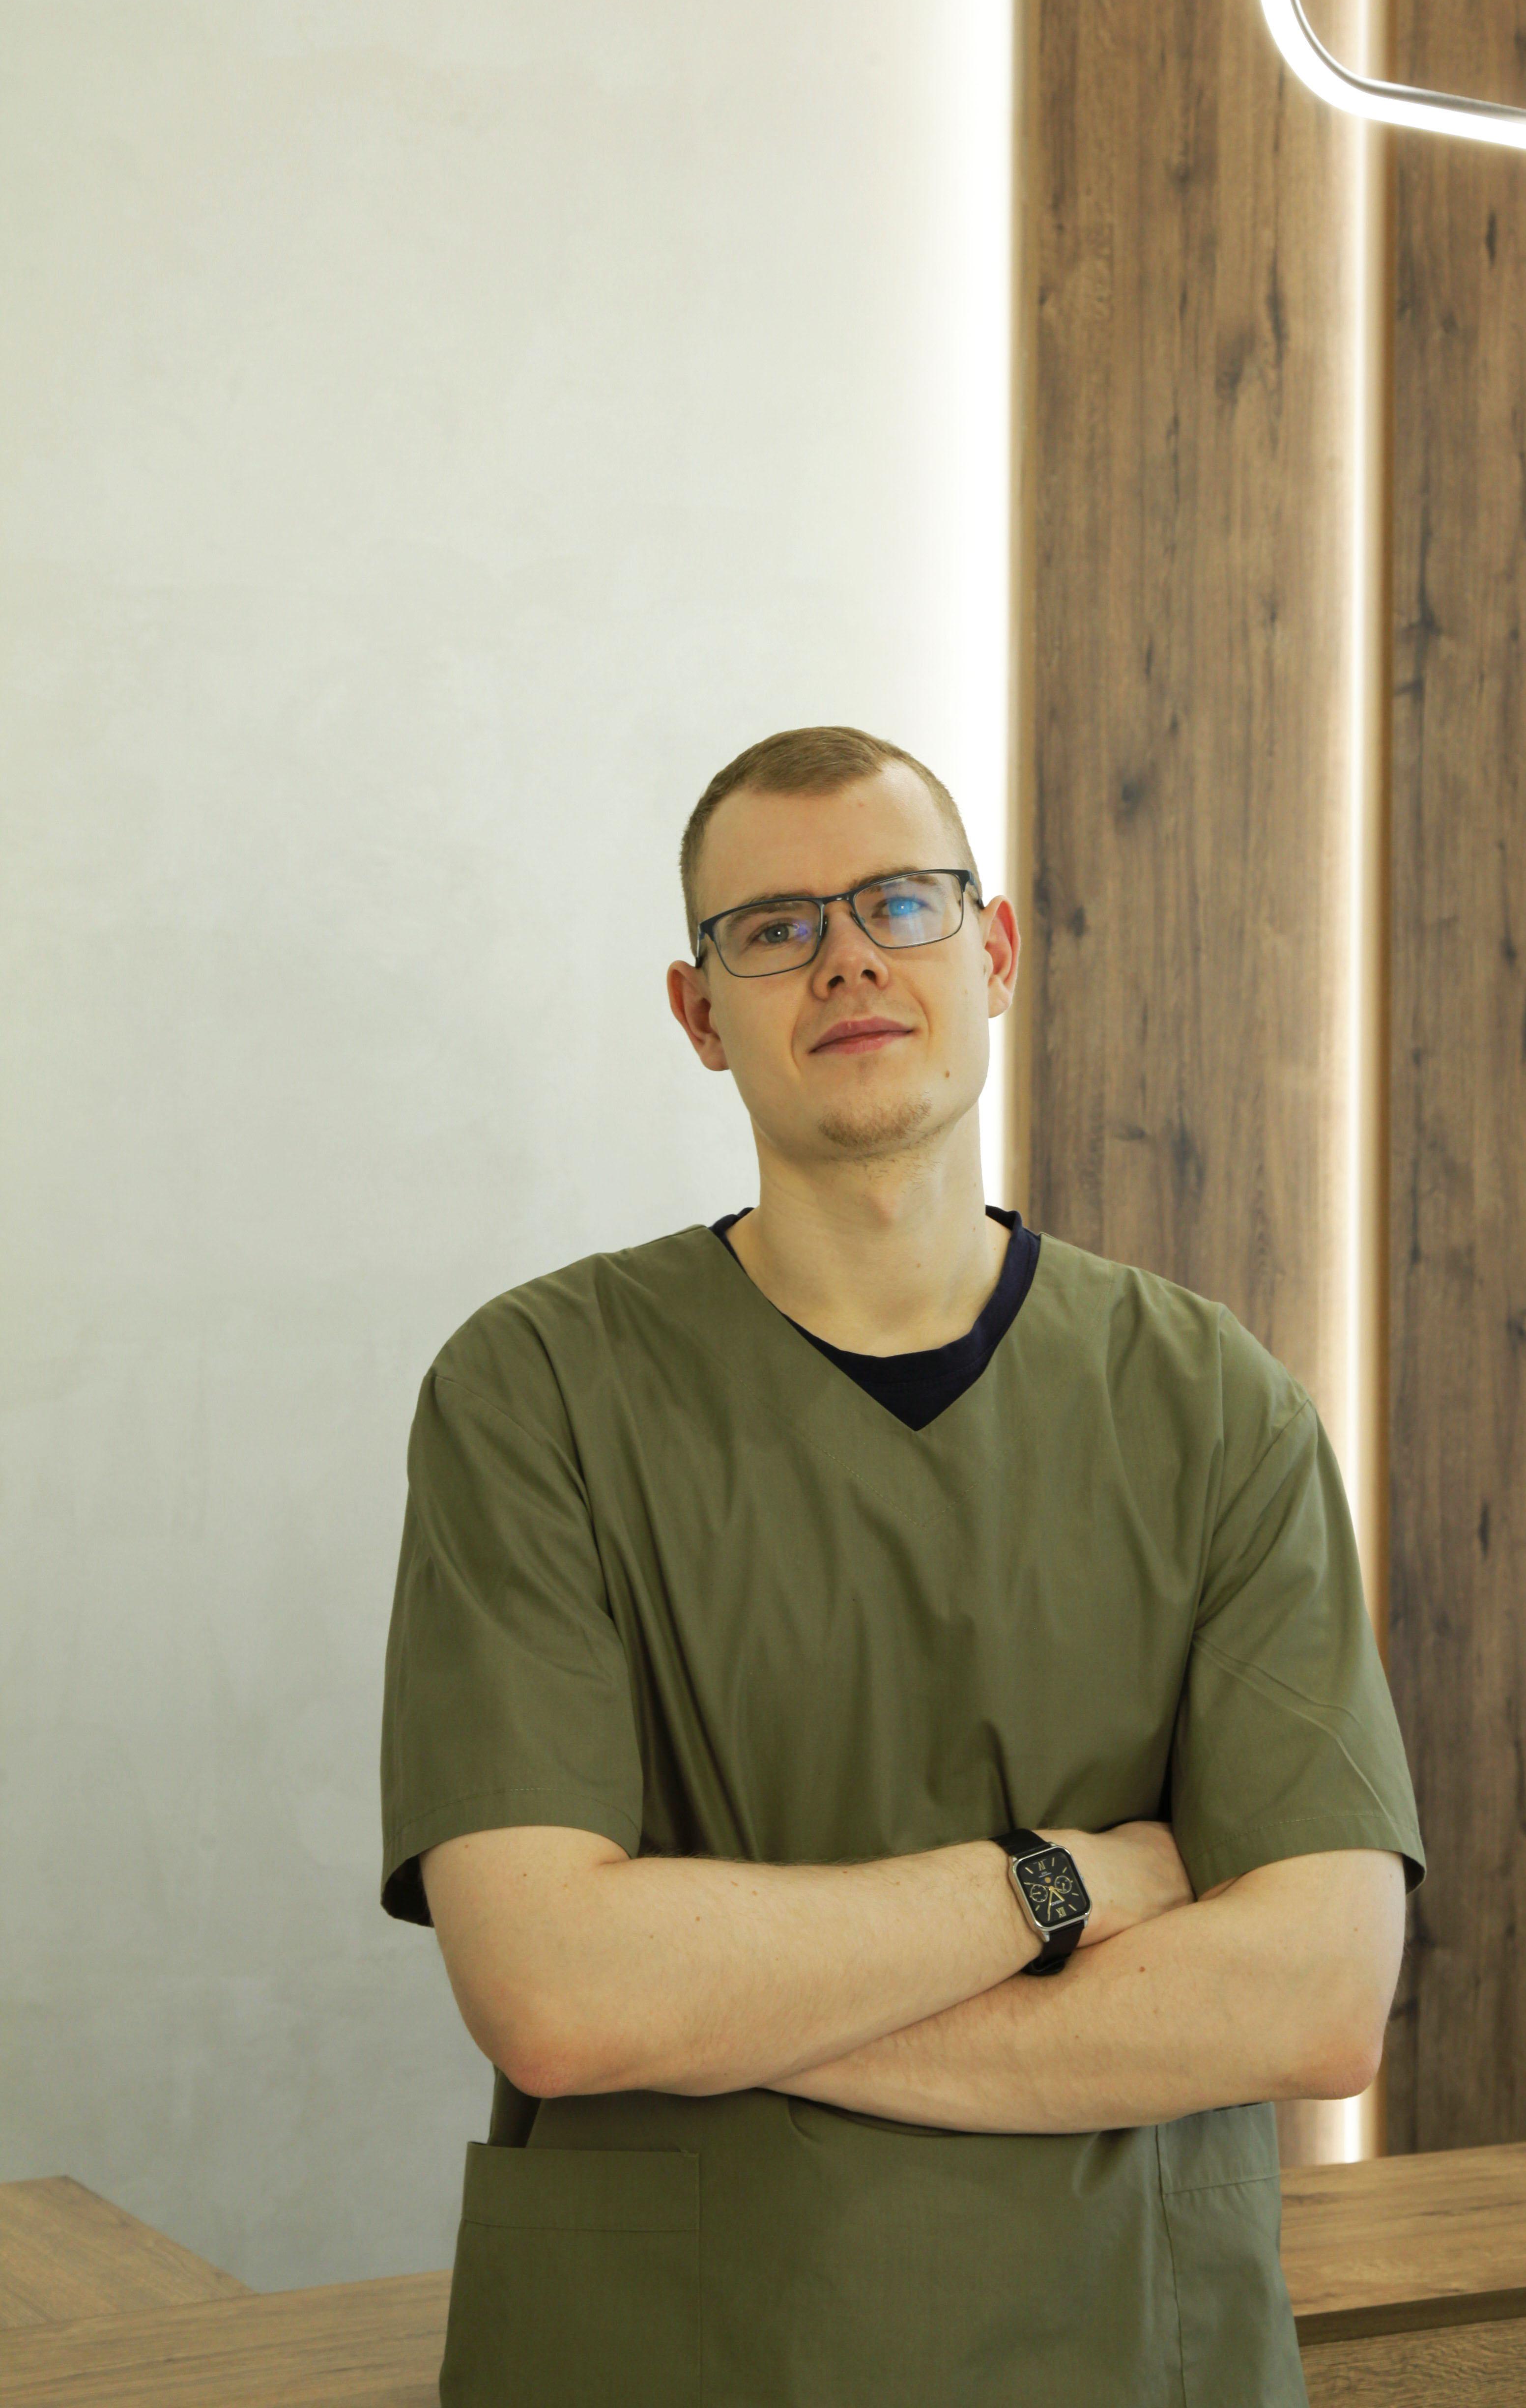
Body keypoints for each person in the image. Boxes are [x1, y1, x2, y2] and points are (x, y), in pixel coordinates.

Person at [378, 722, 1424, 2408]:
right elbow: (559, 1998)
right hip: (669, 2356)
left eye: (901, 903)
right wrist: (1058, 1887)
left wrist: (735, 2011)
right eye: (774, 928)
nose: (849, 957)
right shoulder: (538, 1392)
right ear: (699, 1014)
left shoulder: (1210, 1402)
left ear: (992, 952)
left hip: (1118, 2348)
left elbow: (1313, 2001)